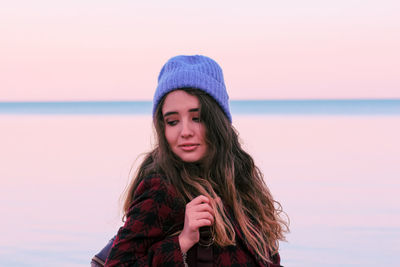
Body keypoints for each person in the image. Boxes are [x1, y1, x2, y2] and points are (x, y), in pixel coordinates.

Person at [102, 55, 289, 266]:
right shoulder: (161, 188)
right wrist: (182, 241)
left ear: (217, 120)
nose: (185, 132)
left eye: (197, 118)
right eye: (172, 121)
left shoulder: (242, 179)